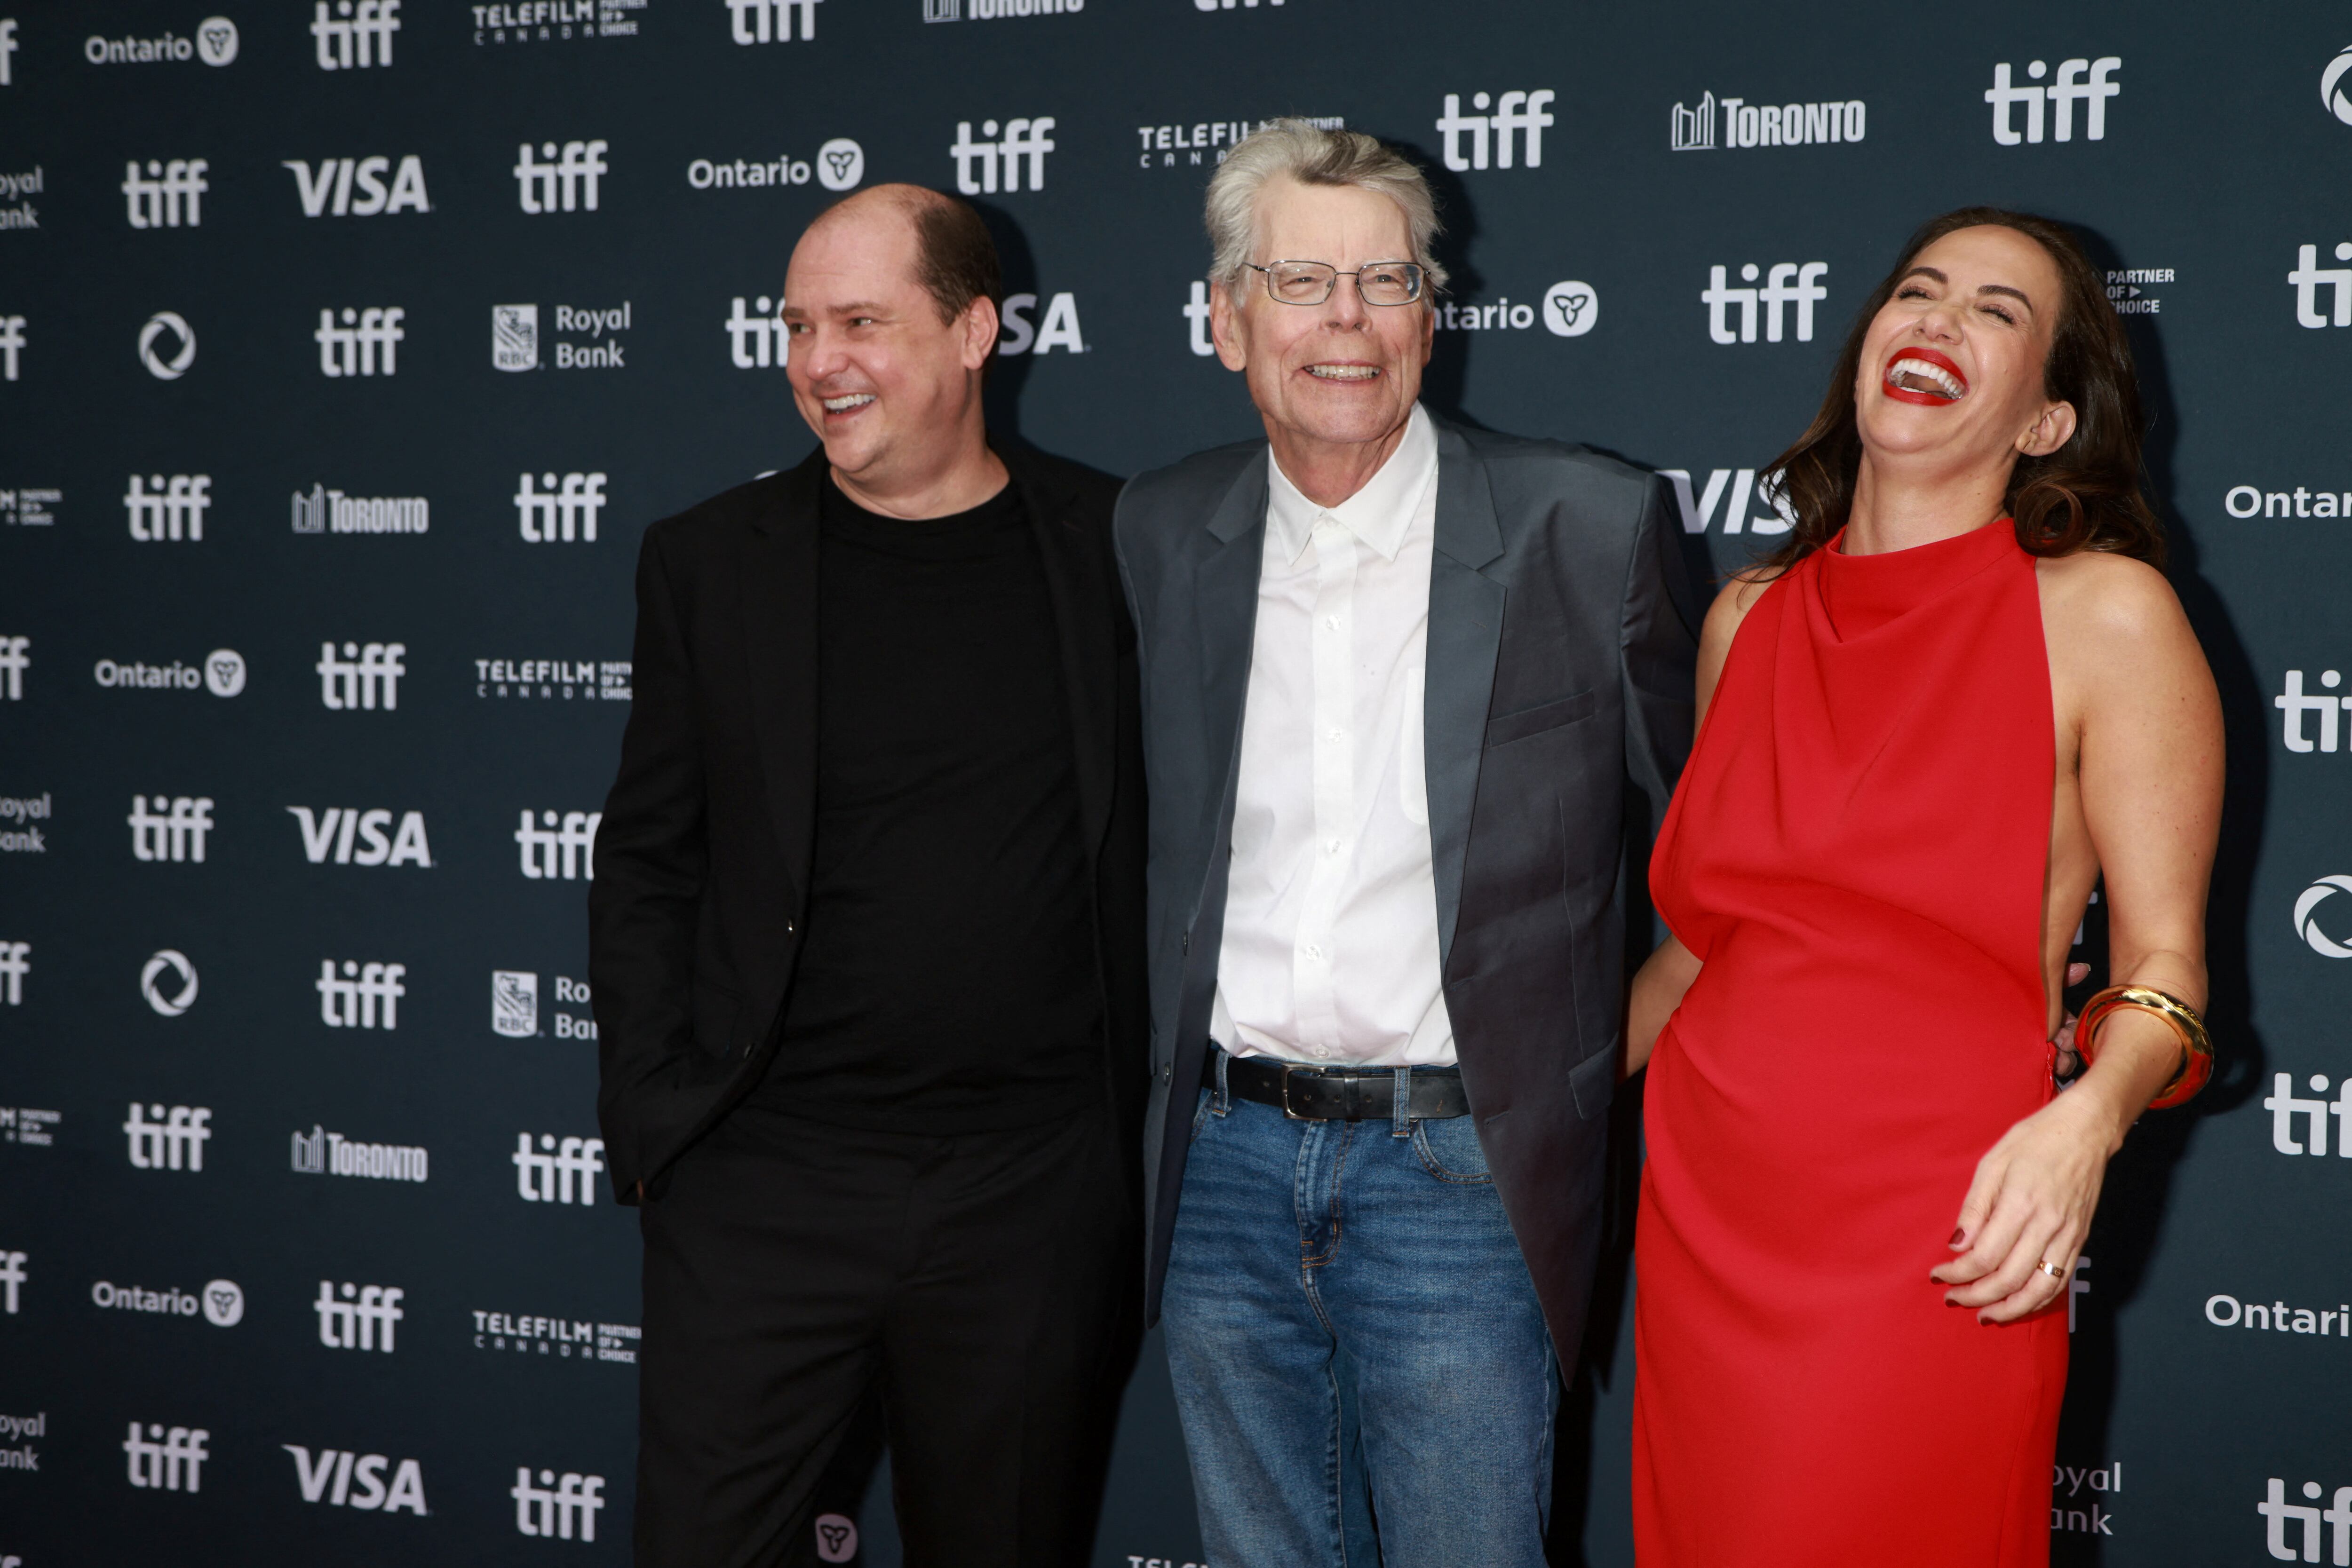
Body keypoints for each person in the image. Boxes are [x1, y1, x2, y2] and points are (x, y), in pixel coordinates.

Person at [1113, 120, 1699, 1568]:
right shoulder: (1158, 528)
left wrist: (1567, 1068)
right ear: (1225, 319)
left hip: (1460, 1174)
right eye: (1301, 280)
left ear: (1432, 319)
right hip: (1219, 1171)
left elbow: (1722, 860)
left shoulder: (1589, 523)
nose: (1346, 323)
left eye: (1386, 282)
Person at [1624, 207, 2222, 1566]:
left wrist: (2085, 1125)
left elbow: (2171, 971)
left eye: (1999, 313)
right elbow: (1697, 952)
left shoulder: (2106, 615)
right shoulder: (1749, 615)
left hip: (1945, 1223)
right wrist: (1494, 1113)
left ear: (2050, 425)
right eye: (1918, 291)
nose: (1938, 321)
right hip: (1711, 1211)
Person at [588, 184, 1146, 1568]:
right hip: (766, 1182)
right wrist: (658, 1117)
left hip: (1026, 1196)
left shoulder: (1120, 551)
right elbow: (649, 856)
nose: (817, 361)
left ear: (973, 331)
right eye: (796, 328)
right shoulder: (709, 565)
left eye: (859, 323)